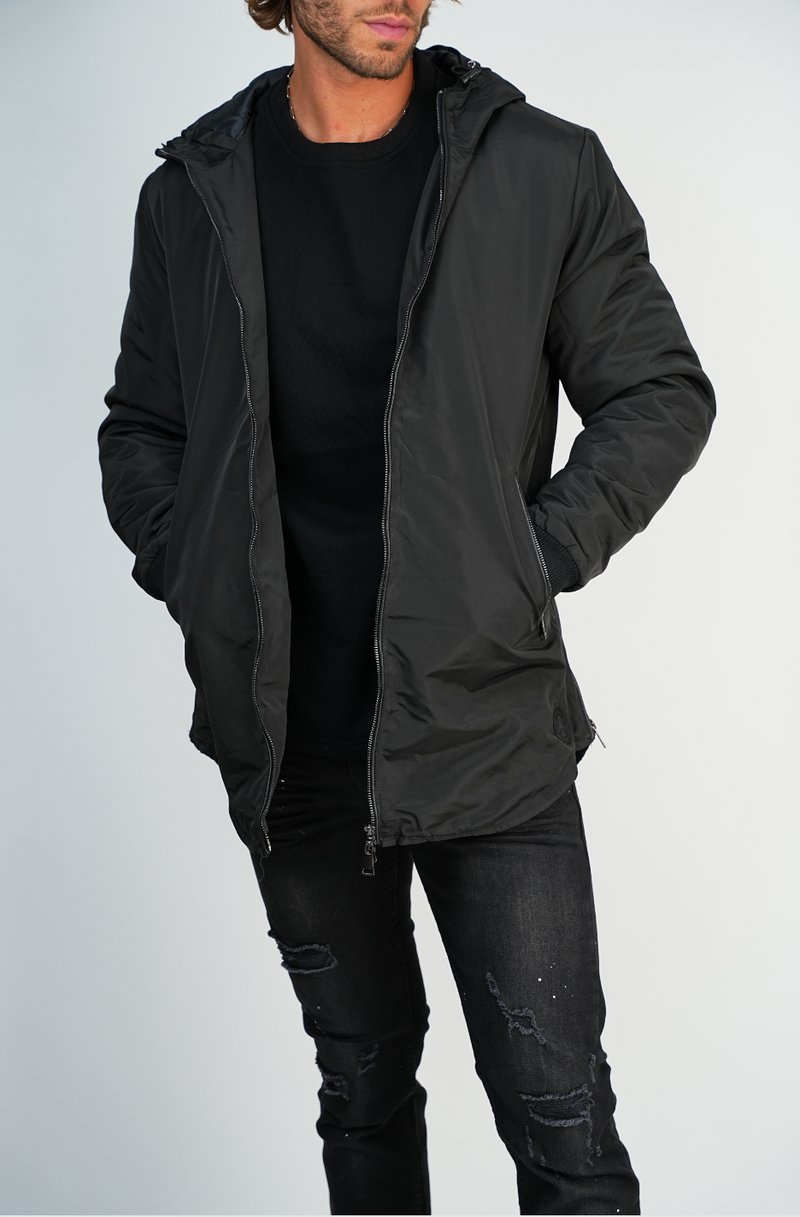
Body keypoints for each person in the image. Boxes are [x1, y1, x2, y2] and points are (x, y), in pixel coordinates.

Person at [98, 1, 714, 1212]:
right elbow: (143, 426)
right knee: (362, 1095)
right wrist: (194, 564)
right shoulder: (191, 192)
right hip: (289, 746)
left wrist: (527, 558)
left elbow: (657, 388)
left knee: (562, 1125)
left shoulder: (539, 167)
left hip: (486, 731)